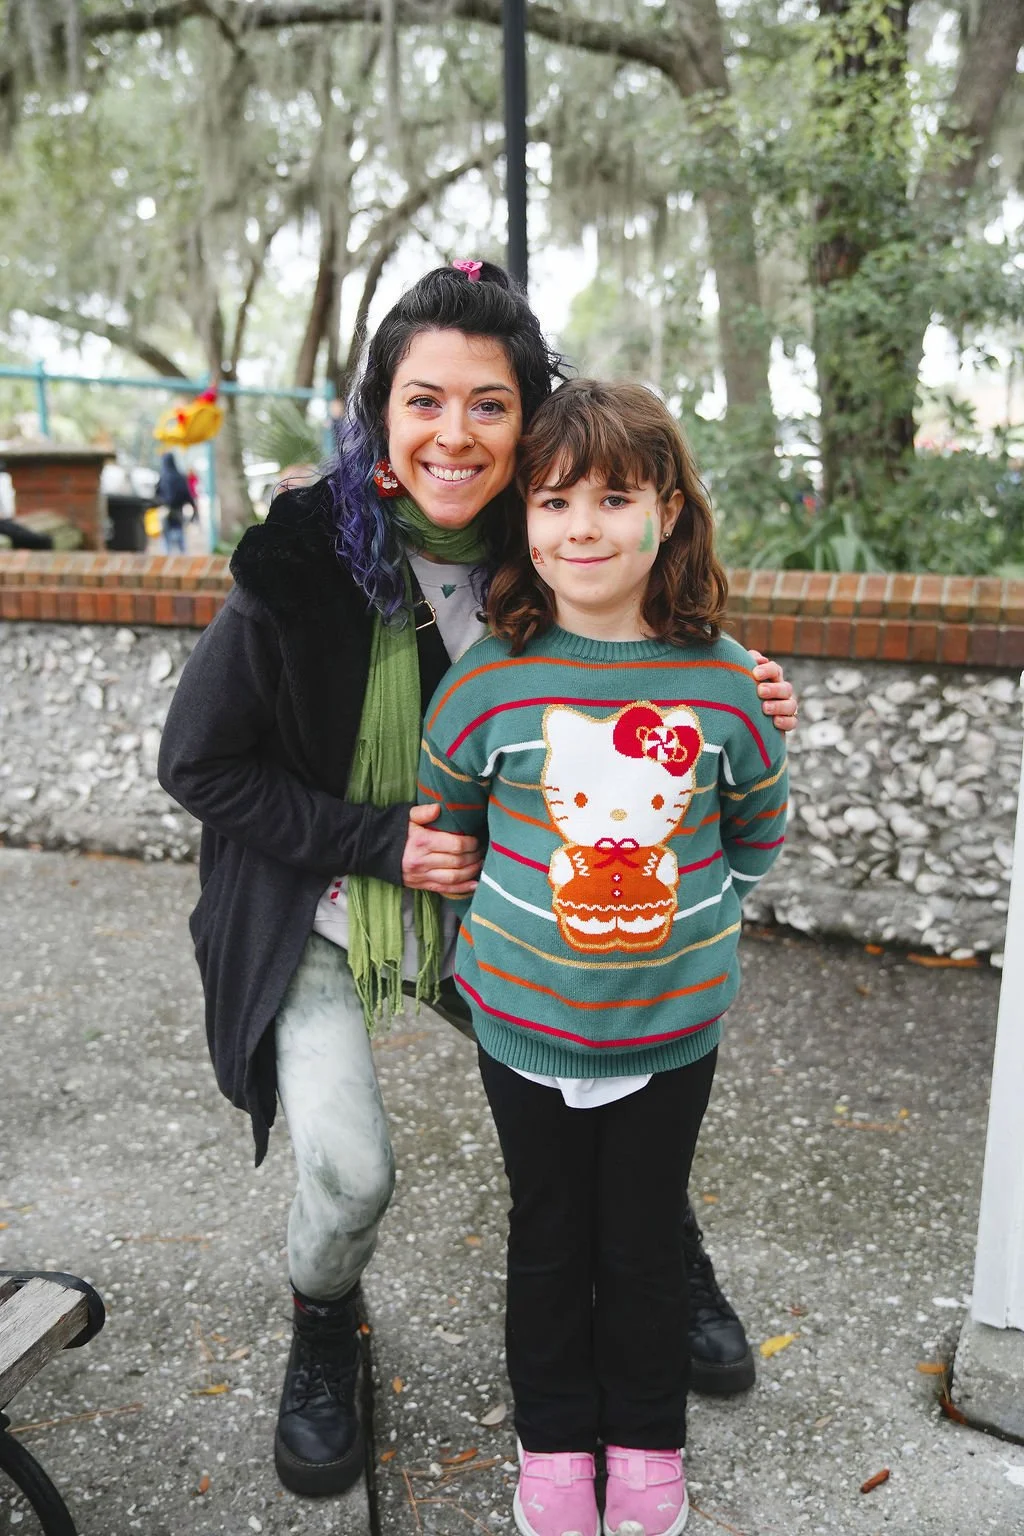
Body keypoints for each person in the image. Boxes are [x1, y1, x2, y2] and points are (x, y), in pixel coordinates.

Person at [157, 263, 796, 1500]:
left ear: (531, 419)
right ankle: (325, 1321)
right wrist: (377, 842)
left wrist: (745, 687)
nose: (456, 434)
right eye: (424, 401)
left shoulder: (546, 526)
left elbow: (652, 634)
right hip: (327, 903)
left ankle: (665, 1247)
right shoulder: (301, 556)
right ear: (380, 412)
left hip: (495, 904)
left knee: (611, 1072)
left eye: (490, 405)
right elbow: (197, 762)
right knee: (349, 1171)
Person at [417, 378, 788, 1536]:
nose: (581, 526)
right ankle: (554, 1447)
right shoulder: (487, 680)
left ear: (667, 512)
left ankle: (646, 1445)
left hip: (671, 1031)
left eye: (614, 497)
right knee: (547, 1240)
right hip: (518, 1024)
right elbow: (453, 824)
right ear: (522, 519)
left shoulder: (727, 683)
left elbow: (753, 838)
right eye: (553, 499)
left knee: (639, 1248)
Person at [154, 451, 196, 553]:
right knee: (181, 543)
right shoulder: (180, 477)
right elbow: (187, 494)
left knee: (166, 544)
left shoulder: (163, 477)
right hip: (178, 512)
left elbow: (156, 495)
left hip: (166, 512)